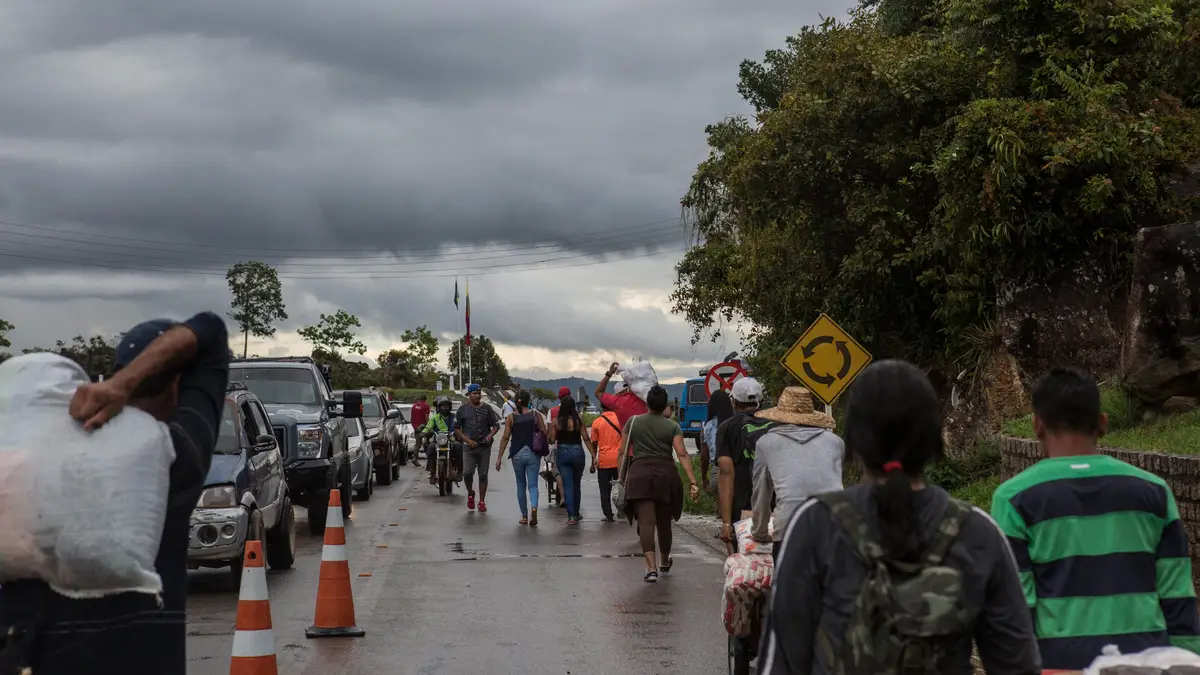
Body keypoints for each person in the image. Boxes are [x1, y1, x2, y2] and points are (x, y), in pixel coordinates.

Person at [759, 360, 1039, 675]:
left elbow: (780, 662)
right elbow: (1018, 665)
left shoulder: (816, 524)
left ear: (853, 443)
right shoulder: (977, 532)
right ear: (933, 440)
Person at [0, 313, 230, 675]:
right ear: (177, 386)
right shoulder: (175, 457)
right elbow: (211, 333)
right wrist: (124, 385)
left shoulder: (27, 463)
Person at [991, 368, 1200, 669]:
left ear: (1037, 426)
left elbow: (1018, 608)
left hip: (1059, 664)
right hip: (1146, 662)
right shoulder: (1154, 492)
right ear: (1102, 423)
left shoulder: (1014, 498)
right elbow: (1177, 595)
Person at [749, 387, 844, 560]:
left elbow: (761, 494)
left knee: (789, 586)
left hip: (789, 528)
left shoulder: (766, 442)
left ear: (779, 417)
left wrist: (760, 532)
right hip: (833, 527)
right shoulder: (835, 442)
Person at [618, 385, 700, 582]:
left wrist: (620, 478)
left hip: (640, 476)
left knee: (646, 523)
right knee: (664, 523)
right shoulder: (672, 426)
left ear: (647, 403)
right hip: (665, 476)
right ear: (665, 406)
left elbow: (622, 452)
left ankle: (651, 568)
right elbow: (682, 453)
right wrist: (693, 481)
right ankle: (664, 561)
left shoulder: (633, 422)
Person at [716, 378, 776, 551]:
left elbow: (726, 473)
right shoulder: (777, 425)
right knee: (775, 563)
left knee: (743, 567)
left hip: (741, 509)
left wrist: (726, 523)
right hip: (776, 506)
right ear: (762, 401)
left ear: (734, 401)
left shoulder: (727, 428)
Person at [496, 390, 550, 526]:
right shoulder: (535, 415)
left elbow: (505, 438)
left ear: (516, 401)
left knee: (521, 484)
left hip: (517, 454)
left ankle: (524, 516)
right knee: (532, 485)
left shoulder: (511, 418)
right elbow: (544, 433)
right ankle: (534, 507)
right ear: (528, 401)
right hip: (533, 453)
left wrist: (499, 458)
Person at [548, 394, 598, 525]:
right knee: (576, 484)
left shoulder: (556, 421)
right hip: (577, 452)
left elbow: (551, 440)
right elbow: (586, 438)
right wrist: (594, 456)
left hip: (563, 453)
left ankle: (571, 516)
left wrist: (550, 433)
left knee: (567, 485)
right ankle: (576, 513)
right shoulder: (578, 420)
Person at [455, 383, 500, 512]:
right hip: (469, 448)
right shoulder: (462, 409)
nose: (477, 396)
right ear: (468, 395)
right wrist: (467, 441)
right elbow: (457, 429)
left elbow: (496, 426)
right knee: (467, 473)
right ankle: (470, 492)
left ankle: (481, 501)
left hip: (484, 448)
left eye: (479, 393)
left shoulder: (487, 408)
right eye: (474, 393)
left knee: (483, 475)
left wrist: (489, 436)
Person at [590, 402, 624, 522]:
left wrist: (593, 460)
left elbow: (594, 444)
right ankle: (624, 510)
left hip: (604, 461)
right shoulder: (620, 420)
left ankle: (608, 515)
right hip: (620, 460)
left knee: (604, 490)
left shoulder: (597, 422)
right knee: (622, 487)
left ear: (602, 407)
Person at [594, 362, 648, 427]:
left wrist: (609, 373)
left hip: (629, 436)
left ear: (618, 394)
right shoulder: (644, 396)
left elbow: (598, 392)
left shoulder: (617, 402)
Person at [423, 396, 462, 485]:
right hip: (438, 440)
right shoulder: (435, 418)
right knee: (430, 447)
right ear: (439, 407)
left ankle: (460, 470)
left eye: (447, 406)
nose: (445, 408)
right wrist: (424, 432)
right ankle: (432, 472)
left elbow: (459, 427)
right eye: (443, 406)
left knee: (458, 446)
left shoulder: (454, 417)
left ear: (450, 407)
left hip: (451, 440)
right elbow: (428, 427)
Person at [701, 389, 733, 493]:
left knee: (721, 505)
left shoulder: (708, 426)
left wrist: (704, 478)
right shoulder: (736, 422)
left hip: (719, 470)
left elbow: (704, 456)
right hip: (740, 471)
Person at [411, 394, 431, 466]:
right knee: (430, 440)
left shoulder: (414, 406)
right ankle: (430, 456)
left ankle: (414, 458)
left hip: (416, 427)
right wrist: (429, 425)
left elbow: (412, 417)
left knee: (418, 444)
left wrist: (414, 426)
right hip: (423, 427)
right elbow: (426, 417)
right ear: (425, 400)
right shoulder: (426, 406)